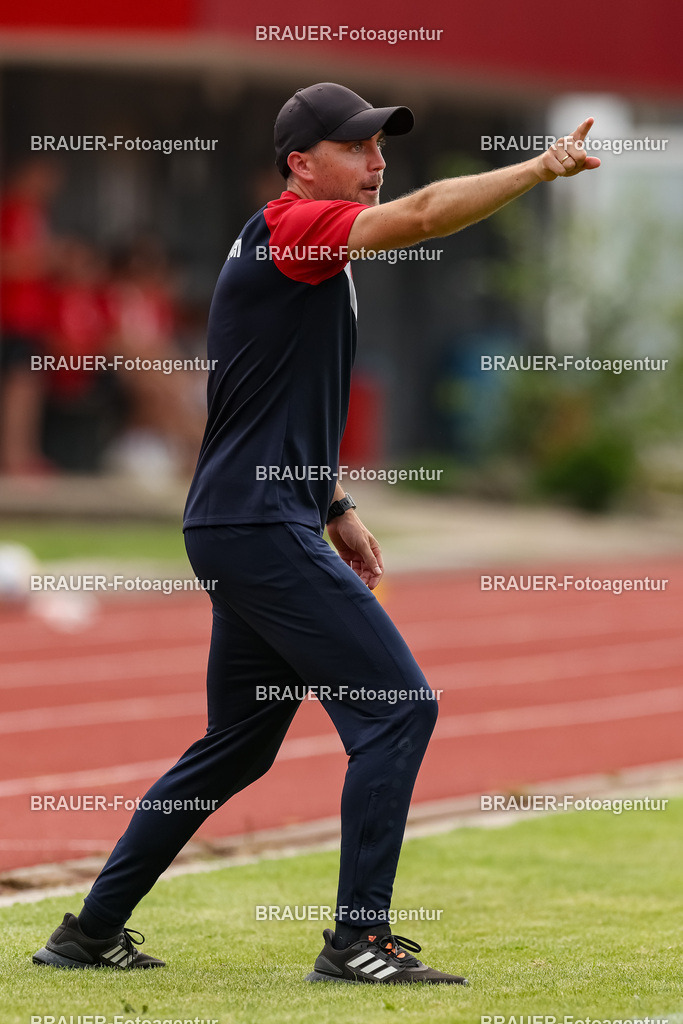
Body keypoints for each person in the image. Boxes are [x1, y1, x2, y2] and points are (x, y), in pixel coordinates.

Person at [33, 82, 599, 983]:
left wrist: (331, 506)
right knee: (398, 710)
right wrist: (541, 165)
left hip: (253, 516)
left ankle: (86, 933)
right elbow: (416, 220)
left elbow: (266, 403)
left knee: (238, 744)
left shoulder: (294, 248)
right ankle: (356, 943)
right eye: (356, 146)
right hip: (254, 525)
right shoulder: (292, 229)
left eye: (380, 146)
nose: (377, 162)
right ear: (301, 164)